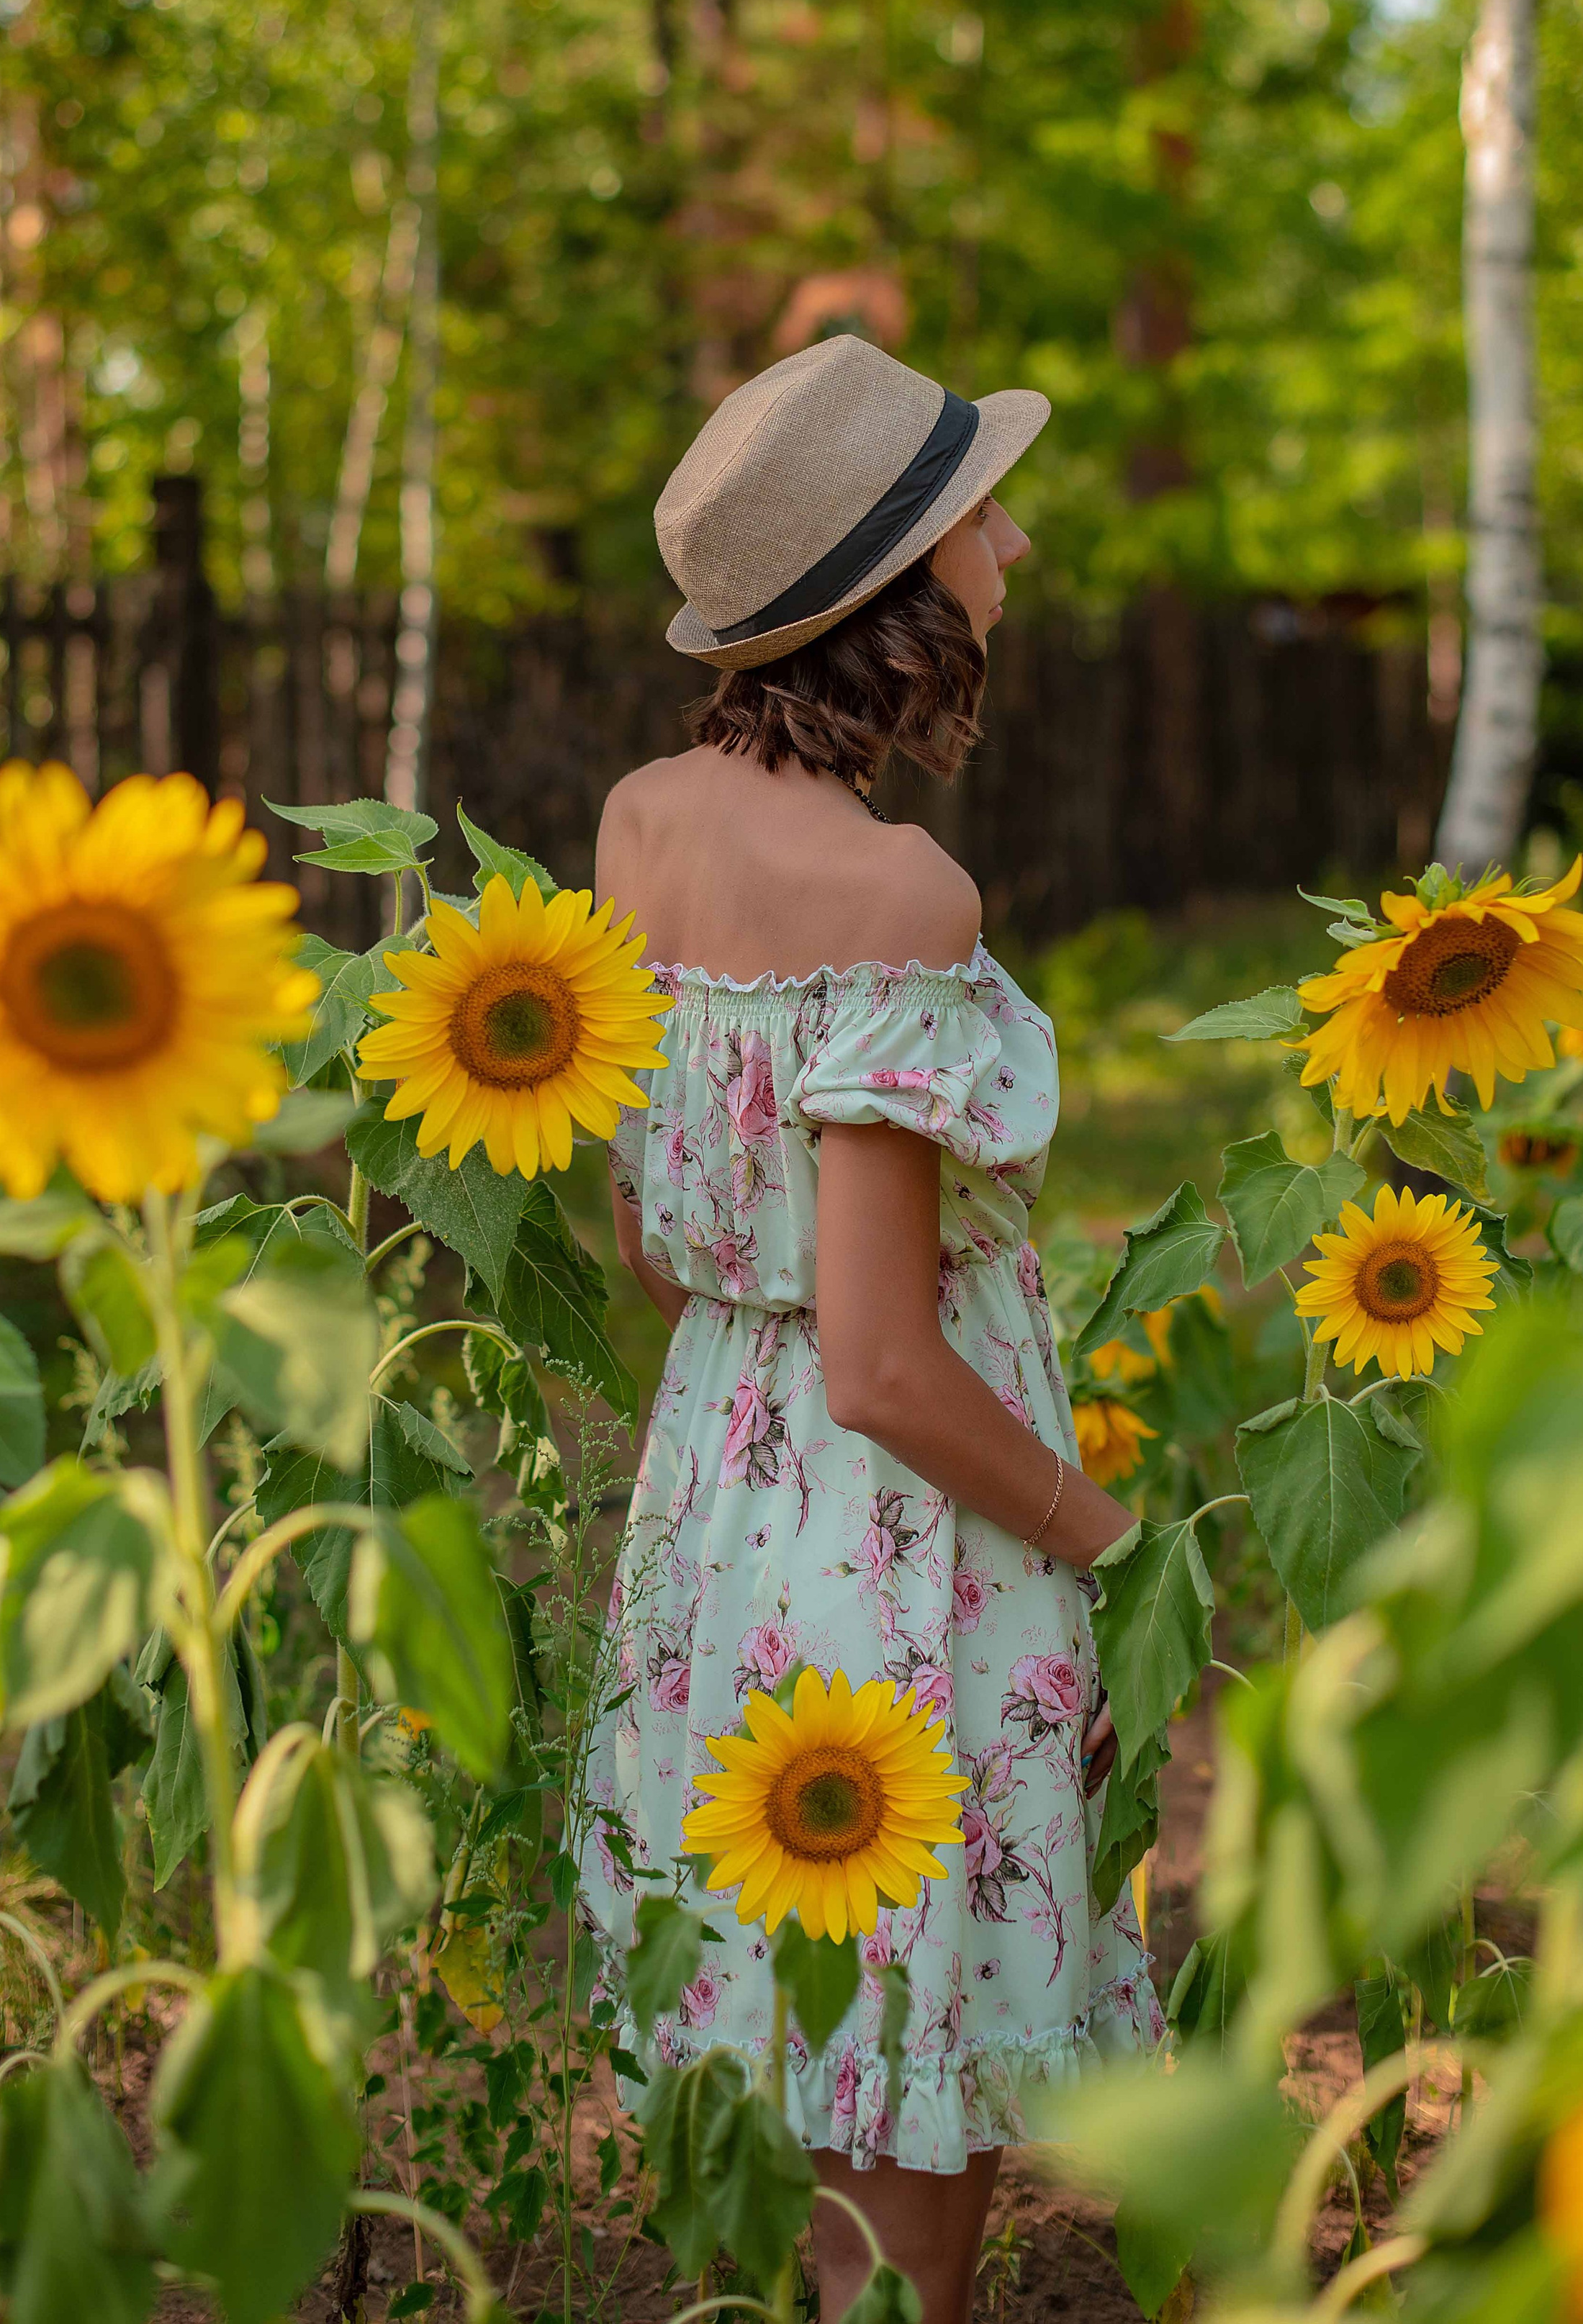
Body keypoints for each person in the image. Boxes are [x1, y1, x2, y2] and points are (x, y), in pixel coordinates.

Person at [579, 335, 1161, 2324]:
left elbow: (660, 1248)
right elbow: (886, 1363)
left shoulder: (639, 822)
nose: (1018, 543)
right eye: (987, 511)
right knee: (910, 2078)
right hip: (906, 1534)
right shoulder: (903, 891)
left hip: (717, 1506)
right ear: (902, 580)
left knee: (777, 2023)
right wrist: (1116, 1546)